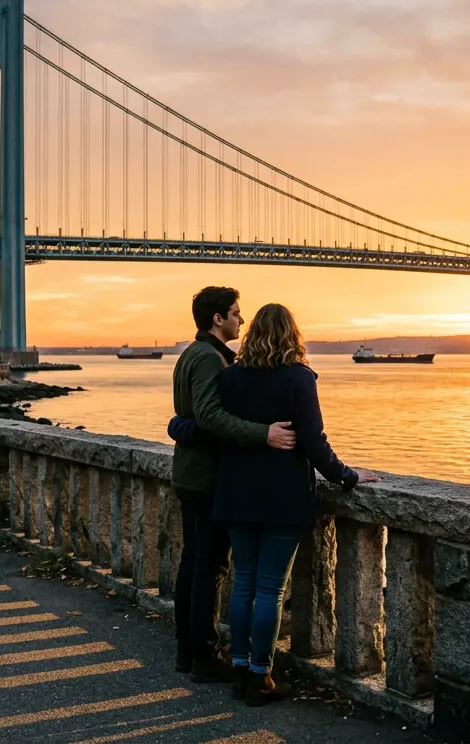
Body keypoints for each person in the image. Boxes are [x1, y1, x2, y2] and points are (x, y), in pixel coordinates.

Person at [214, 303, 378, 706]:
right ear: (292, 334)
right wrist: (348, 475)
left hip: (236, 493)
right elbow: (313, 441)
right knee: (269, 588)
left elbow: (221, 428)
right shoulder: (299, 378)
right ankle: (260, 677)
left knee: (243, 583)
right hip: (280, 497)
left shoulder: (232, 377)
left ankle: (238, 667)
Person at [170, 286, 297, 683]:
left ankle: (188, 652)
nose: (241, 320)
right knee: (211, 568)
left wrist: (178, 427)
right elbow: (209, 417)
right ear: (218, 320)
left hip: (190, 473)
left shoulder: (193, 354)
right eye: (236, 313)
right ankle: (203, 656)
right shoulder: (209, 358)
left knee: (194, 564)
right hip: (206, 477)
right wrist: (264, 434)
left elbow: (190, 418)